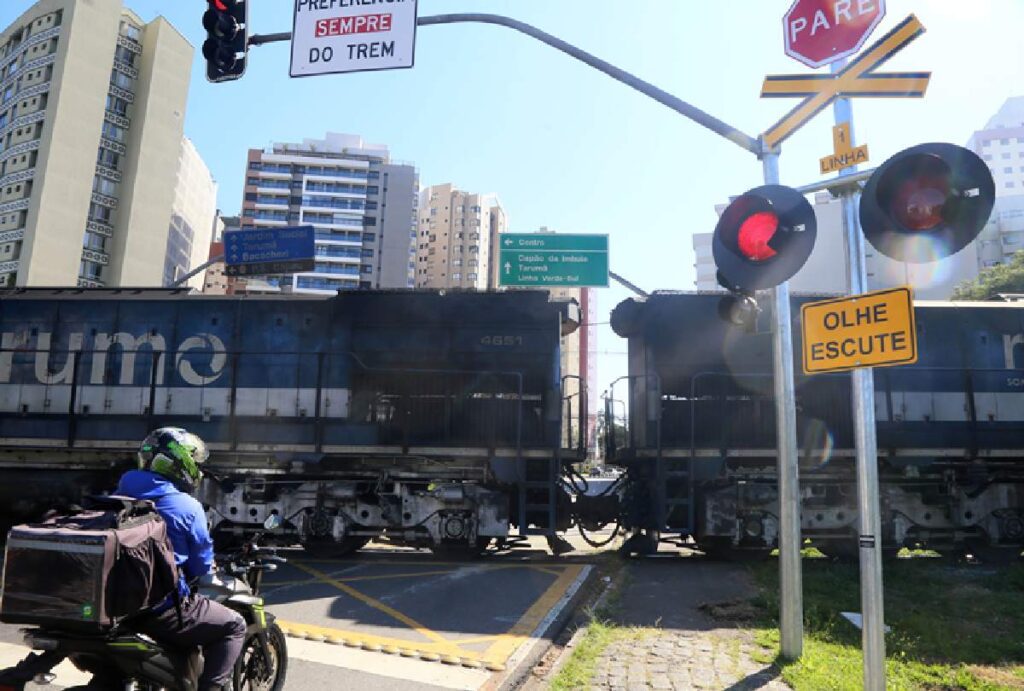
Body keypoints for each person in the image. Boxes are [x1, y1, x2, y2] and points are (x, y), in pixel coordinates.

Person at [116, 427, 246, 691]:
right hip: (158, 609)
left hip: (114, 606)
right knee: (234, 625)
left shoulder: (117, 495)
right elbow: (200, 567)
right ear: (181, 463)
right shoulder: (187, 506)